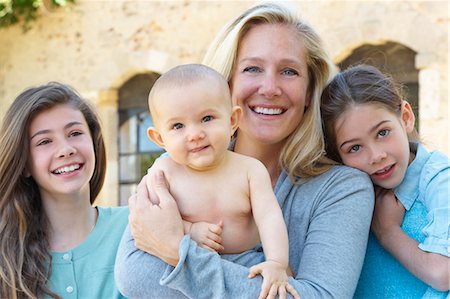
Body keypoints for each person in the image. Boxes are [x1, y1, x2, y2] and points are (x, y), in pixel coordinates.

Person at [115, 3, 374, 299]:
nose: (270, 87)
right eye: (252, 68)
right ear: (227, 83)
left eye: (289, 71)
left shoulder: (341, 189)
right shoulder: (170, 170)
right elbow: (135, 275)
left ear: (309, 91)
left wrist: (177, 252)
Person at [142, 63, 296, 298]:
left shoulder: (249, 170)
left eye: (207, 118)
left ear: (233, 120)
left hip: (248, 263)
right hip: (187, 266)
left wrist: (276, 261)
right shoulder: (164, 172)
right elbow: (153, 221)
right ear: (159, 138)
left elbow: (269, 218)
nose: (194, 134)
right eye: (178, 126)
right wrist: (190, 230)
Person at [320, 64, 450, 298]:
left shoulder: (440, 179)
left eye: (382, 133)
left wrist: (387, 232)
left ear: (406, 118)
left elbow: (443, 272)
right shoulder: (347, 193)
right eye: (355, 148)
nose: (376, 156)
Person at [0, 82, 129, 299]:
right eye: (44, 141)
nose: (66, 150)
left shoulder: (135, 226)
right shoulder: (6, 259)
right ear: (23, 165)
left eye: (75, 133)